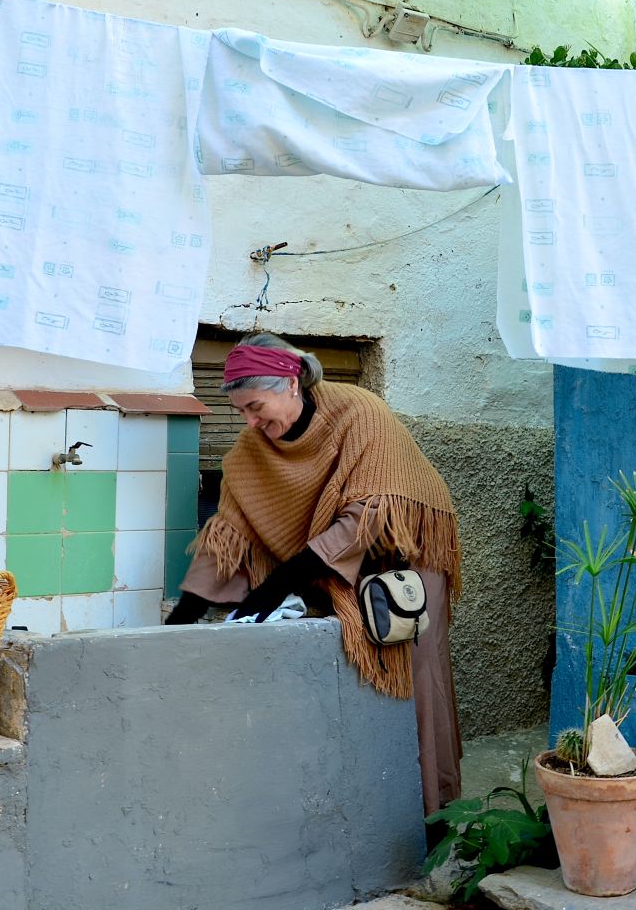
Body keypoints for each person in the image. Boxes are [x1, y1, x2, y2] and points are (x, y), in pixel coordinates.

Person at [165, 333, 463, 813]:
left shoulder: (359, 413)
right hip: (325, 567)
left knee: (417, 684)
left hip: (401, 558)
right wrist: (185, 613)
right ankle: (368, 812)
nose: (251, 422)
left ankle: (435, 814)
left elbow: (371, 512)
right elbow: (230, 530)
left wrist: (278, 582)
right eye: (241, 411)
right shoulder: (251, 447)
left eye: (257, 407)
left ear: (290, 383)